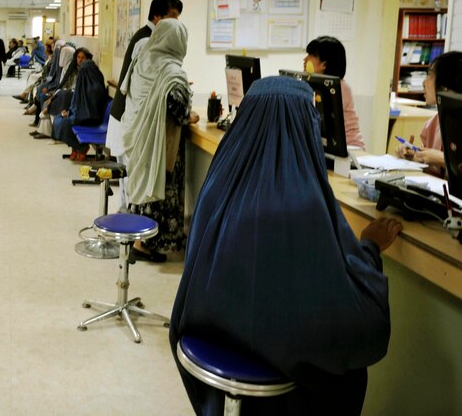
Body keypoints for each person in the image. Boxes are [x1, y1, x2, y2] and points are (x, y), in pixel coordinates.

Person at [170, 76, 403, 415]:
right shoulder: (304, 202)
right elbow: (342, 303)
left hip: (211, 331)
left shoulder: (217, 183)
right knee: (348, 370)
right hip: (276, 357)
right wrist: (369, 248)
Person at [122, 18, 199, 262]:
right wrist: (190, 115)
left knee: (142, 185)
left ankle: (138, 238)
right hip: (160, 141)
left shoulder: (142, 60)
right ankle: (151, 243)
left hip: (137, 134)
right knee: (160, 189)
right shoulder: (172, 71)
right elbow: (176, 108)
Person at [107, 0, 183, 210]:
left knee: (131, 184)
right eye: (172, 16)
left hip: (128, 118)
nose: (176, 22)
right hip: (130, 119)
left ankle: (126, 219)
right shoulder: (147, 41)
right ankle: (127, 223)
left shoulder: (148, 37)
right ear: (157, 16)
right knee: (132, 184)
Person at [396, 51, 462, 176]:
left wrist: (441, 159)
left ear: (445, 86)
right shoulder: (432, 124)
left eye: (430, 75)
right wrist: (415, 157)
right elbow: (430, 169)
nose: (423, 83)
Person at [303, 36, 365, 149]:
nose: (305, 59)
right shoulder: (314, 84)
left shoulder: (340, 87)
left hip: (350, 147)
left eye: (311, 55)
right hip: (329, 147)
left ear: (324, 64)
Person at [53, 59, 109, 160]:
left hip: (91, 119)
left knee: (65, 123)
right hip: (82, 115)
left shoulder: (94, 88)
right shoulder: (85, 84)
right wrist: (69, 112)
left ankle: (81, 148)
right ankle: (75, 148)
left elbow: (89, 110)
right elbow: (78, 105)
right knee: (58, 119)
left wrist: (72, 114)